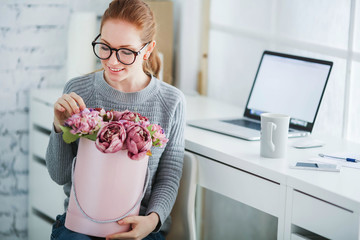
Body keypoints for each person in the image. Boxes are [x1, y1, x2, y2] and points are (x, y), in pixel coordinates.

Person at [45, 0, 185, 239]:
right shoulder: (79, 92)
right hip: (80, 225)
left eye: (126, 52)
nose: (112, 60)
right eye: (105, 47)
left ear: (148, 50)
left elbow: (169, 175)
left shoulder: (171, 101)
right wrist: (59, 126)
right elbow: (59, 176)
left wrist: (152, 221)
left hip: (139, 228)